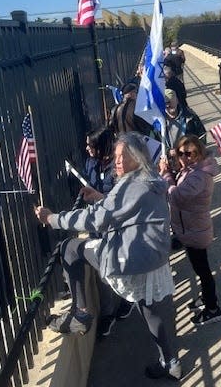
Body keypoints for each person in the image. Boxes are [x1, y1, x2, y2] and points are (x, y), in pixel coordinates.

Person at [35, 132, 181, 381]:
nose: (119, 161)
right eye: (116, 156)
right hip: (152, 258)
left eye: (125, 155)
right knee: (150, 311)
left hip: (131, 257)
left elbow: (95, 219)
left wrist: (51, 218)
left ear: (137, 156)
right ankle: (171, 363)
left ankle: (80, 313)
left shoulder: (131, 185)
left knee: (70, 248)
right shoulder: (150, 178)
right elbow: (128, 210)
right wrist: (103, 198)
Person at [159, 135, 221, 326]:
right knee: (199, 268)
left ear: (199, 152)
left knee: (203, 270)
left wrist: (165, 175)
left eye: (189, 154)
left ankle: (213, 309)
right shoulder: (192, 169)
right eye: (181, 153)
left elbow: (176, 196)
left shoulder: (199, 176)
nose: (184, 158)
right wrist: (171, 167)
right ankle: (206, 297)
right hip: (190, 229)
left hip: (195, 231)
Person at [84, 127, 135, 337]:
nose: (87, 149)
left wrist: (98, 197)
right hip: (97, 226)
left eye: (91, 145)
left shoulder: (119, 167)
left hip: (116, 227)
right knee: (102, 271)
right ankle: (108, 314)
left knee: (121, 265)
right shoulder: (90, 163)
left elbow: (121, 201)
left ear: (103, 146)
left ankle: (127, 298)